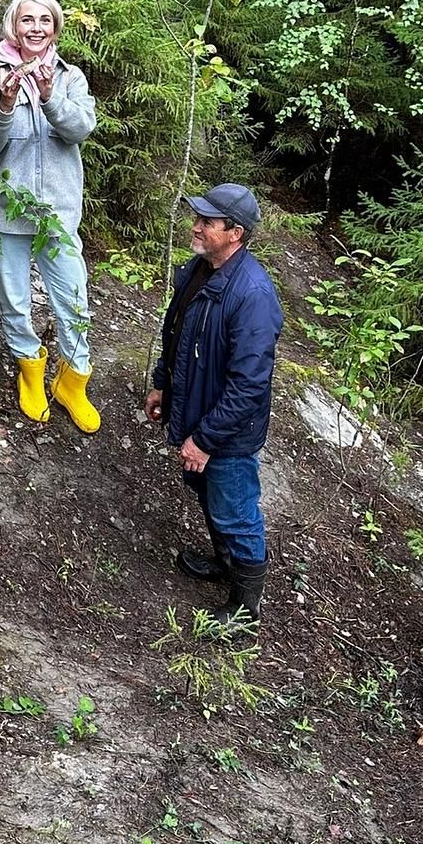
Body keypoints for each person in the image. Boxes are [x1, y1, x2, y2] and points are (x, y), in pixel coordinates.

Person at [146, 184, 283, 630]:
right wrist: (162, 385)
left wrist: (204, 441)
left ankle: (246, 609)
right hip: (195, 411)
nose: (197, 226)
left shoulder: (253, 295)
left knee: (236, 511)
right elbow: (176, 332)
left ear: (235, 233)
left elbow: (249, 386)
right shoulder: (199, 271)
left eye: (208, 222)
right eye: (198, 218)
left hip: (227, 434)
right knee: (207, 494)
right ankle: (224, 562)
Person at [0, 0, 100, 433]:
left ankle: (72, 382)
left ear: (55, 27)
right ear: (14, 26)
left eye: (45, 21)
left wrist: (49, 98)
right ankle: (30, 373)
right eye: (28, 20)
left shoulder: (70, 77)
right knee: (15, 299)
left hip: (58, 214)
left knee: (73, 299)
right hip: (8, 211)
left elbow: (81, 129)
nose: (36, 29)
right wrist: (5, 105)